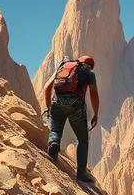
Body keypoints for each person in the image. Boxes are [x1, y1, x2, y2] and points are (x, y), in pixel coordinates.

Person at [42, 54, 100, 183]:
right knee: (82, 139)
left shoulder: (62, 67)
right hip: (75, 106)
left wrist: (48, 108)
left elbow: (47, 88)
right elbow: (94, 93)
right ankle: (81, 173)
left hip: (57, 102)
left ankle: (53, 146)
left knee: (56, 131)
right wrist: (96, 113)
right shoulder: (89, 73)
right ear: (90, 66)